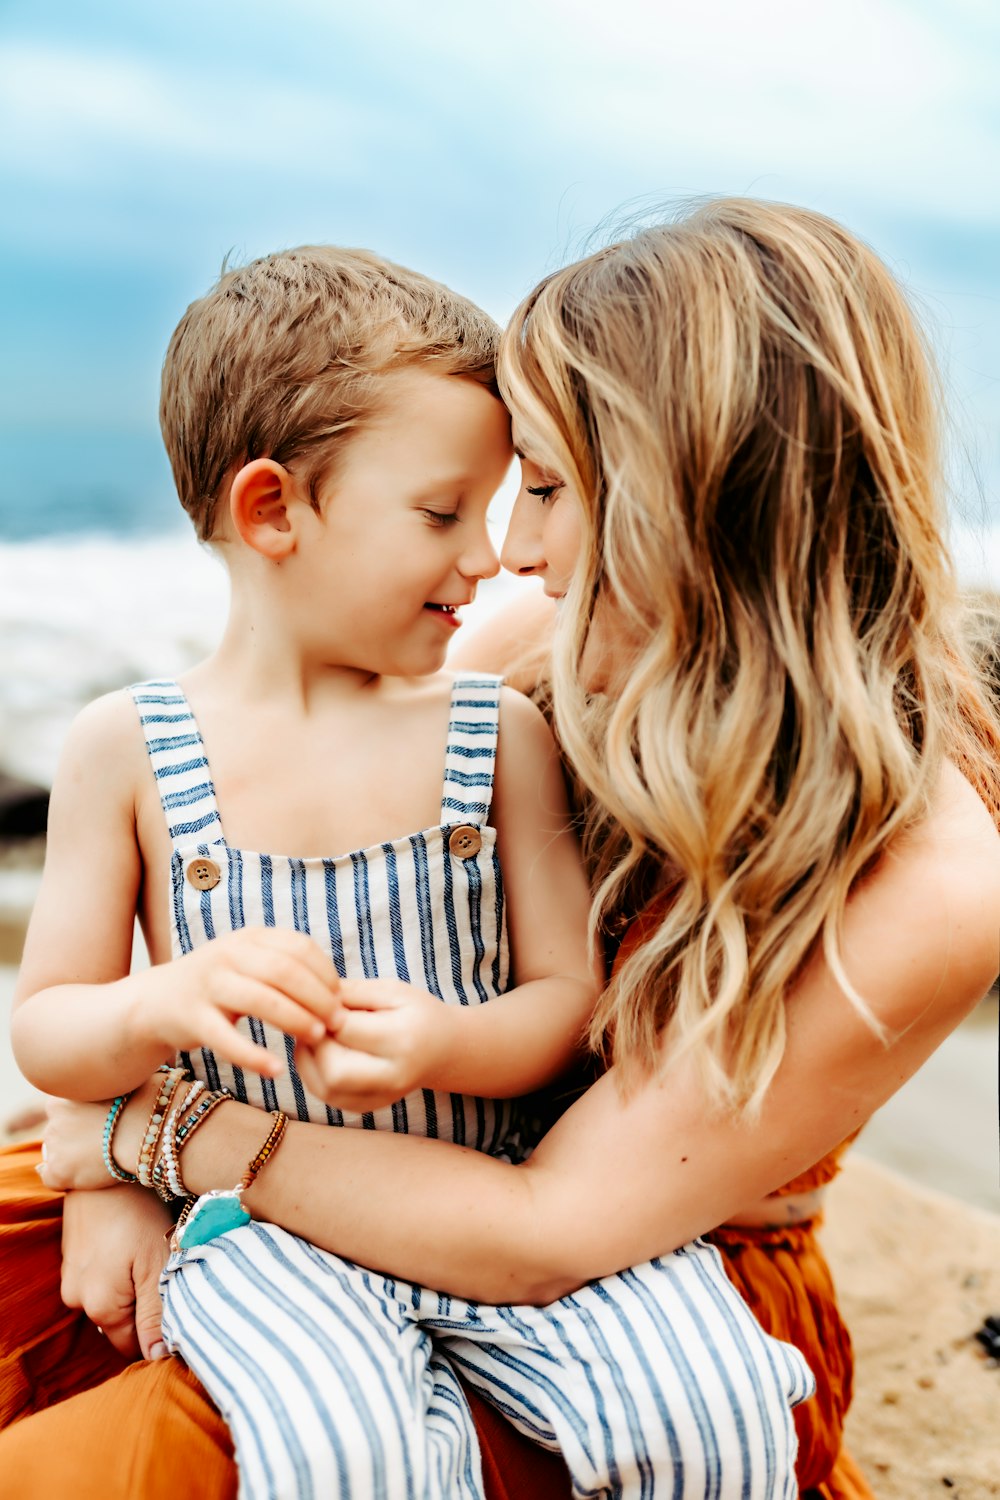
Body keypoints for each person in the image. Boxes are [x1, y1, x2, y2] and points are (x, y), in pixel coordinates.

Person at [4, 197, 999, 1498]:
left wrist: (152, 1131)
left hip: (590, 1275)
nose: (514, 553)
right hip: (289, 1185)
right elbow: (100, 992)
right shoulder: (553, 650)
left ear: (696, 498)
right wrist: (103, 1164)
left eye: (542, 488)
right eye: (485, 495)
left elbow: (547, 1233)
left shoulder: (932, 880)